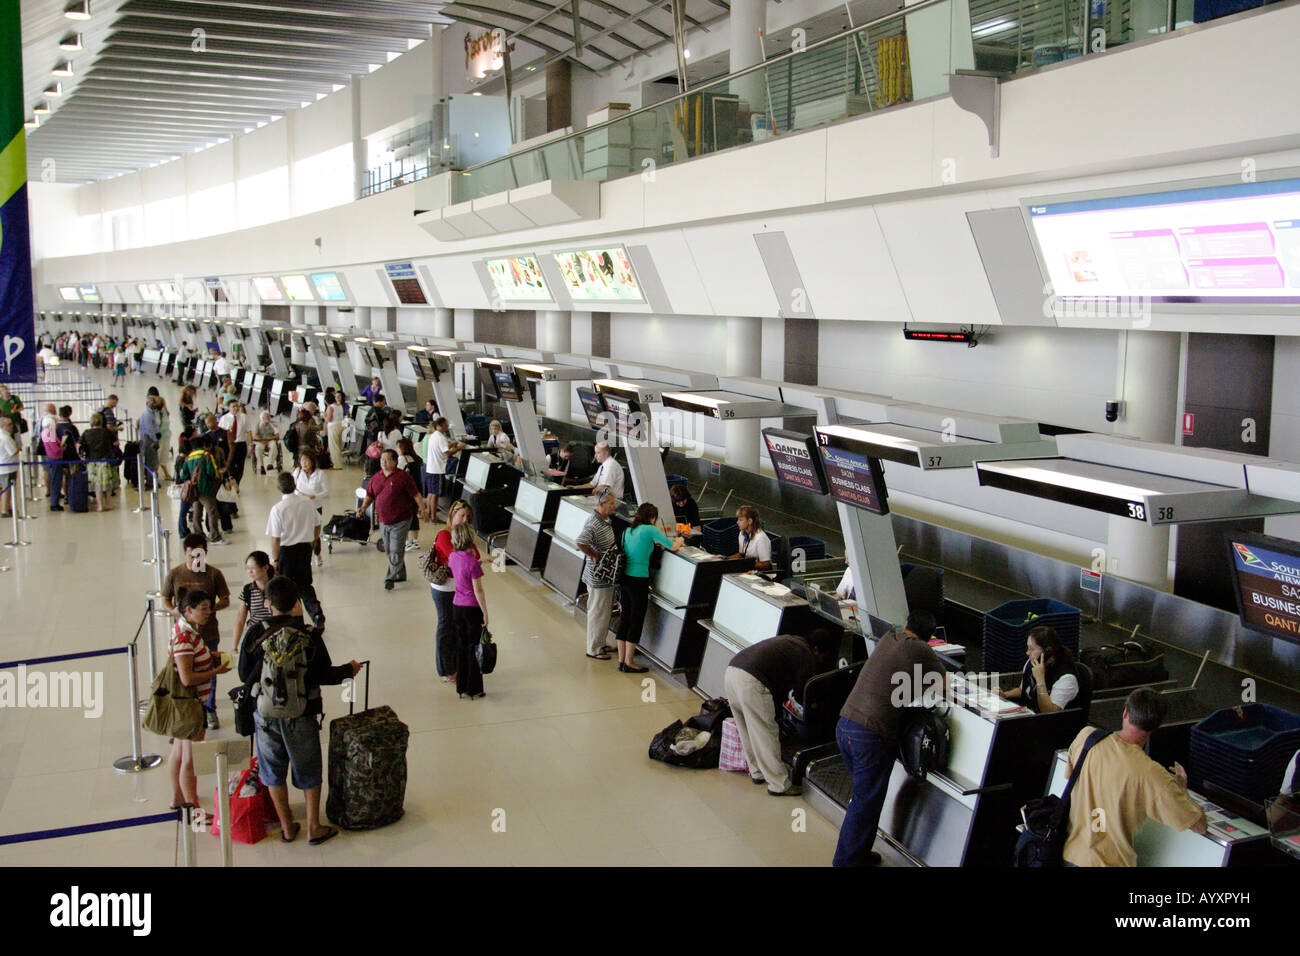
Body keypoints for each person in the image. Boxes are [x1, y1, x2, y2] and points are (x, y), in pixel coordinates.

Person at [238, 575, 360, 845]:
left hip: (266, 714)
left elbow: (243, 674)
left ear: (268, 604)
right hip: (302, 713)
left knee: (272, 771)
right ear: (296, 603)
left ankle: (286, 826)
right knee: (308, 769)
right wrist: (349, 670)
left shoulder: (256, 633)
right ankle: (314, 827)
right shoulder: (308, 636)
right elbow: (325, 675)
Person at [833, 610, 946, 866]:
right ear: (930, 637)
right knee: (864, 804)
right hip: (870, 735)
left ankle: (858, 854)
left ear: (907, 623)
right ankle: (846, 862)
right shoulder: (922, 650)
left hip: (845, 725)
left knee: (861, 799)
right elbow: (943, 683)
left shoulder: (889, 637)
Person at [1063, 688, 1207, 867]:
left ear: (1125, 712)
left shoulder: (1087, 737)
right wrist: (1182, 789)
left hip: (1069, 855)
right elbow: (1199, 825)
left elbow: (1069, 776)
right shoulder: (1152, 774)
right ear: (1156, 726)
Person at [725, 629, 840, 797]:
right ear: (816, 649)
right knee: (766, 732)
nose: (821, 661)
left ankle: (757, 772)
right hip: (752, 681)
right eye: (822, 656)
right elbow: (802, 692)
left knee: (747, 728)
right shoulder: (806, 655)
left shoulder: (792, 640)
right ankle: (779, 784)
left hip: (732, 671)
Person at [167, 588, 231, 809]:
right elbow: (187, 678)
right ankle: (192, 807)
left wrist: (208, 656)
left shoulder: (186, 630)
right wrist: (215, 672)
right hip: (191, 704)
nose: (208, 613)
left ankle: (178, 797)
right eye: (203, 609)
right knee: (190, 758)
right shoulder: (185, 637)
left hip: (183, 703)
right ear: (188, 610)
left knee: (178, 752)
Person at [161, 533, 232, 728]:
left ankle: (209, 709)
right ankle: (185, 711)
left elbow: (225, 598)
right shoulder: (175, 574)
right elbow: (166, 598)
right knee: (183, 673)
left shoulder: (213, 574)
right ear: (185, 553)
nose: (196, 560)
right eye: (192, 556)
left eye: (200, 556)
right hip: (184, 634)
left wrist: (209, 610)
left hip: (208, 633)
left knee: (209, 671)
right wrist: (173, 610)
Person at [615, 503, 682, 672]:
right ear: (652, 518)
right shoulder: (650, 530)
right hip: (639, 580)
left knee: (625, 618)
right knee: (636, 620)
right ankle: (630, 662)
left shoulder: (627, 531)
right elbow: (672, 546)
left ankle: (621, 660)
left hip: (624, 579)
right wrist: (680, 540)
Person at [266, 472, 326, 627]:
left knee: (288, 587)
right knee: (305, 584)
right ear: (295, 485)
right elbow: (318, 524)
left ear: (278, 488)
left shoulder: (278, 509)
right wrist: (313, 540)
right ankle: (316, 613)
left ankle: (296, 620)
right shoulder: (307, 503)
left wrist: (275, 559)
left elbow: (275, 538)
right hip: (305, 549)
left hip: (287, 551)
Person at [357, 449, 422, 591]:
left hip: (401, 518)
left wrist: (422, 507)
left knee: (396, 549)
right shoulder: (376, 477)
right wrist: (363, 507)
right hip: (383, 519)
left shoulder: (403, 477)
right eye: (382, 460)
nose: (384, 462)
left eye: (387, 460)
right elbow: (370, 494)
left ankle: (390, 577)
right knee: (389, 549)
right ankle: (400, 574)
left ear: (395, 461)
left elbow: (415, 494)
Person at [430, 500, 477, 683]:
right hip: (444, 588)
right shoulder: (444, 535)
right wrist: (468, 557)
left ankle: (457, 665)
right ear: (452, 515)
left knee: (458, 627)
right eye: (461, 515)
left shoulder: (466, 535)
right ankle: (446, 670)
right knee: (446, 626)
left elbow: (474, 556)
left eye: (467, 517)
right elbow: (458, 560)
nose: (464, 520)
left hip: (460, 588)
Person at [575, 489, 621, 660]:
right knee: (598, 612)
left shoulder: (604, 520)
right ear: (601, 504)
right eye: (611, 503)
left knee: (604, 611)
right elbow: (580, 541)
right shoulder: (594, 523)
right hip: (599, 577)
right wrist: (593, 554)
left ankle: (599, 642)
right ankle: (593, 649)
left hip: (605, 575)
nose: (614, 505)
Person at [448, 523, 488, 700]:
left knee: (461, 646)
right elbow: (478, 589)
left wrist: (479, 561)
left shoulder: (452, 557)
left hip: (457, 605)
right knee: (474, 648)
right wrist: (485, 612)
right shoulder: (473, 563)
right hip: (472, 607)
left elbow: (461, 568)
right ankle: (474, 687)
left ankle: (461, 685)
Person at [999, 625, 1080, 713]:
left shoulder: (1066, 678)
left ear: (1047, 652)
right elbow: (1023, 691)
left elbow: (1049, 712)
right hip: (1028, 714)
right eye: (1028, 648)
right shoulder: (1031, 663)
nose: (1027, 653)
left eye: (1031, 649)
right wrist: (1005, 695)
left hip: (1052, 723)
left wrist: (1040, 680)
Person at [178, 435, 226, 544]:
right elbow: (212, 472)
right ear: (203, 444)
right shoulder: (207, 456)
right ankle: (214, 536)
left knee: (197, 512)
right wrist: (219, 479)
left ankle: (198, 534)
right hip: (206, 489)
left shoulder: (188, 457)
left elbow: (183, 475)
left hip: (194, 490)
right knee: (212, 512)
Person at [422, 416, 465, 519]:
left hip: (431, 468)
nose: (447, 427)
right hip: (437, 469)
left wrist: (451, 444)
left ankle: (429, 514)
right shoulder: (441, 437)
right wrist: (459, 448)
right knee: (435, 494)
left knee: (431, 493)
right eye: (446, 425)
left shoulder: (434, 435)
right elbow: (447, 454)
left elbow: (441, 448)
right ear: (441, 426)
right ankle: (433, 517)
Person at [292, 449, 328, 567]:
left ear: (312, 461)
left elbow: (326, 491)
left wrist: (315, 496)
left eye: (306, 461)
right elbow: (293, 488)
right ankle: (306, 556)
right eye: (302, 461)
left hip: (315, 507)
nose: (304, 463)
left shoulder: (320, 474)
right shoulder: (297, 472)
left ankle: (317, 554)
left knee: (314, 533)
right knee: (303, 532)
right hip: (300, 507)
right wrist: (300, 495)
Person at [233, 550, 274, 650]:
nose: (249, 572)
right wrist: (235, 646)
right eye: (247, 568)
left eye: (253, 568)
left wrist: (273, 605)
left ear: (265, 568)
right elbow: (240, 619)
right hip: (255, 637)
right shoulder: (247, 590)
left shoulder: (278, 587)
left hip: (275, 636)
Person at [78, 412, 119, 512]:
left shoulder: (86, 433)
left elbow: (79, 445)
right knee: (107, 484)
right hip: (105, 461)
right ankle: (108, 504)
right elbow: (116, 443)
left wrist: (81, 456)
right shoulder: (107, 432)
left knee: (97, 485)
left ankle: (99, 505)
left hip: (92, 461)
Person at [395, 437, 425, 552]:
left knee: (404, 516)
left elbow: (396, 473)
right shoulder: (416, 458)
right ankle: (415, 541)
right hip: (416, 490)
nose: (397, 450)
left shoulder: (402, 459)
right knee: (414, 516)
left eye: (398, 447)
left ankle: (406, 542)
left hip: (405, 492)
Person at [49, 406, 80, 511]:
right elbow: (77, 441)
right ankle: (69, 494)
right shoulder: (71, 427)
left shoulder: (54, 428)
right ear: (69, 414)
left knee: (61, 476)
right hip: (70, 453)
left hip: (58, 455)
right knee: (71, 474)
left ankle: (64, 493)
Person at [730, 504, 772, 570]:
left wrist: (745, 565)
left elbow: (765, 564)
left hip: (761, 573)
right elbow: (741, 555)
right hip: (748, 569)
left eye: (741, 520)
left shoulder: (760, 538)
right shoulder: (742, 534)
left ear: (749, 521)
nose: (737, 522)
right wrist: (726, 559)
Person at [219, 399, 249, 486]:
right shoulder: (224, 419)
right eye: (233, 406)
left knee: (240, 467)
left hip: (241, 444)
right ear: (229, 408)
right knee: (231, 466)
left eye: (237, 406)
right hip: (230, 445)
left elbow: (249, 430)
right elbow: (221, 433)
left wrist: (251, 444)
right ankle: (232, 482)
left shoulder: (244, 417)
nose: (236, 408)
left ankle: (237, 483)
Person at [138, 396, 163, 491]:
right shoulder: (147, 414)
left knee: (153, 460)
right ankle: (150, 481)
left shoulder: (151, 413)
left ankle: (152, 480)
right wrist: (155, 440)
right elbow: (149, 429)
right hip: (148, 440)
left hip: (151, 438)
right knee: (151, 461)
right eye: (152, 402)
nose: (154, 404)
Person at [0, 416, 19, 518]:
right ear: (3, 426)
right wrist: (17, 448)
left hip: (4, 467)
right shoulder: (5, 437)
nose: (12, 426)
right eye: (9, 424)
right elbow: (12, 451)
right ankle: (4, 510)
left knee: (5, 488)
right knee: (7, 490)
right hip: (7, 467)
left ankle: (6, 507)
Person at [324, 388, 345, 469]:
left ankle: (336, 465)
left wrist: (324, 416)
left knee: (333, 446)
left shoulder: (331, 407)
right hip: (341, 425)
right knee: (338, 445)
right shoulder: (339, 405)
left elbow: (329, 419)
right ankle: (339, 463)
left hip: (333, 427)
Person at [156, 395, 173, 481]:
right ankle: (155, 475)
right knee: (157, 455)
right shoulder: (155, 413)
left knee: (164, 455)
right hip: (158, 438)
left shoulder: (164, 412)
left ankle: (166, 473)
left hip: (166, 436)